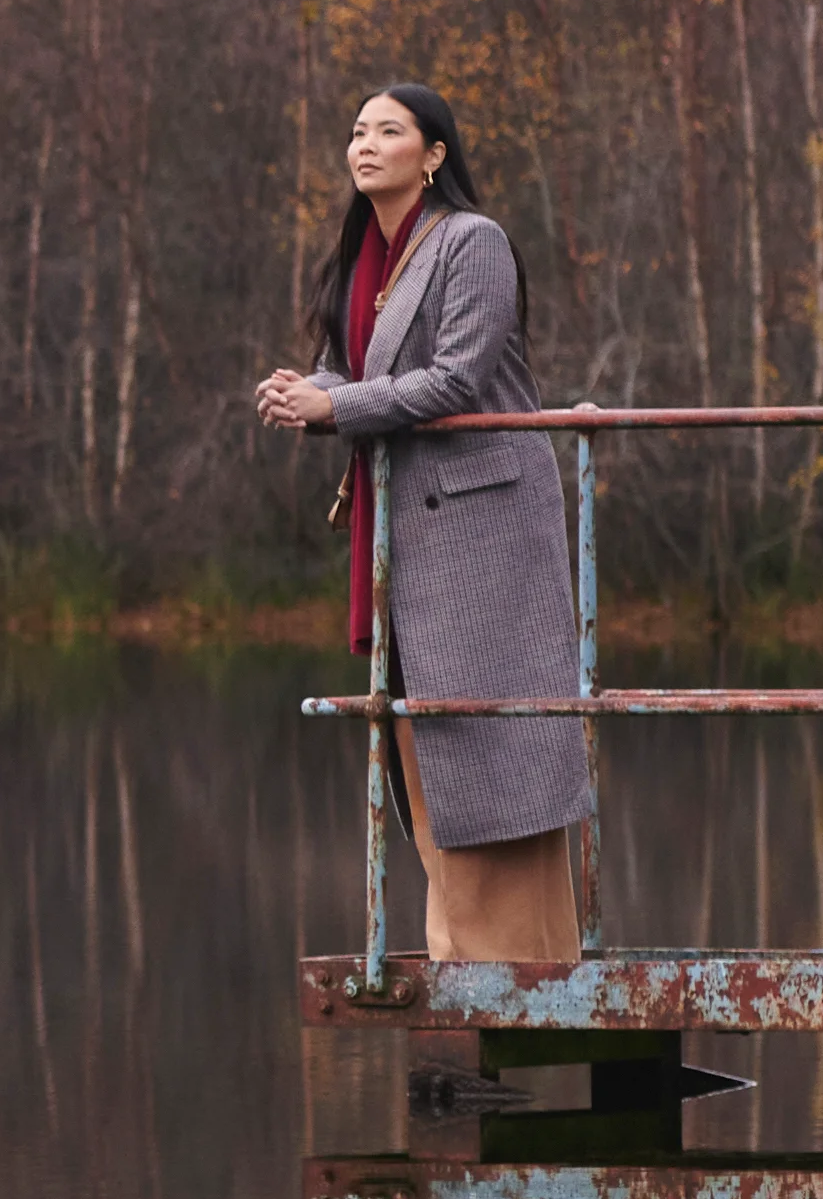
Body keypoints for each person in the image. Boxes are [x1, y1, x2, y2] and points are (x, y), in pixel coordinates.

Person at [243, 84, 589, 971]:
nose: (365, 143)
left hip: (486, 534)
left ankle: (514, 968)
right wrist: (305, 394)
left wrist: (338, 401)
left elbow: (458, 381)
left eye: (388, 130)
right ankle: (466, 958)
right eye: (356, 129)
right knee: (424, 740)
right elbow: (353, 371)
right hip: (409, 532)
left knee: (489, 738)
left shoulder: (471, 242)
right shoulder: (366, 257)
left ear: (433, 154)